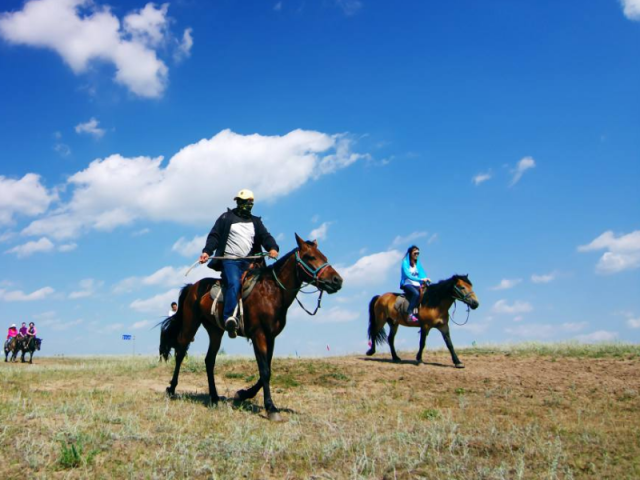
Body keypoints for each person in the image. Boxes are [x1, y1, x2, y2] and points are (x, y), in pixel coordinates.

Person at [199, 189, 279, 338]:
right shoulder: (226, 217)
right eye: (242, 202)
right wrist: (207, 252)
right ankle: (230, 318)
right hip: (231, 262)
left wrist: (273, 248)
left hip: (251, 263)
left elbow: (265, 236)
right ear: (237, 202)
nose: (246, 205)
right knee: (234, 283)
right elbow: (214, 236)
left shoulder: (256, 221)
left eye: (249, 202)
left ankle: (260, 319)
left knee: (265, 286)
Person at [399, 245, 431, 324]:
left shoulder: (417, 264)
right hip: (407, 284)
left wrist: (426, 280)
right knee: (416, 294)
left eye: (418, 253)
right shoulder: (405, 263)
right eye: (415, 253)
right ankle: (410, 313)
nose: (417, 255)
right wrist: (420, 279)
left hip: (417, 284)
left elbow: (422, 274)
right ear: (410, 253)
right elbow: (408, 275)